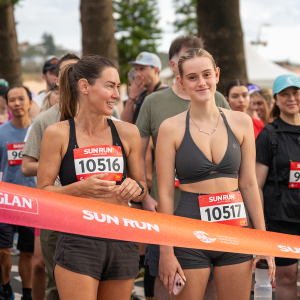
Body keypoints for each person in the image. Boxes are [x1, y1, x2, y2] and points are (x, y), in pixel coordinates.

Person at [156, 48, 275, 300]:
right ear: (181, 82)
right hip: (189, 230)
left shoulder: (241, 122)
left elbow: (250, 185)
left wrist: (264, 242)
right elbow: (165, 192)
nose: (201, 82)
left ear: (217, 75)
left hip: (235, 229)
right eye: (192, 77)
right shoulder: (170, 128)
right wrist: (166, 250)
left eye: (207, 74)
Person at [37, 54, 147, 300]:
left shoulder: (128, 132)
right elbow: (42, 193)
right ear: (85, 86)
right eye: (110, 86)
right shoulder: (58, 133)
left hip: (122, 237)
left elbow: (142, 187)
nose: (116, 94)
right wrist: (79, 189)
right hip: (78, 239)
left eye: (118, 87)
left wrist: (134, 187)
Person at [136, 36, 230, 300]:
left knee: (210, 281)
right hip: (167, 212)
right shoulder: (154, 102)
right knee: (167, 281)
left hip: (215, 211)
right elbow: (137, 154)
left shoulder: (219, 98)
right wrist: (146, 197)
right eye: (188, 60)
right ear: (175, 67)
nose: (195, 68)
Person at [22, 53, 80, 300]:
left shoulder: (102, 116)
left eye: (76, 72)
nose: (70, 78)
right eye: (65, 73)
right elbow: (27, 166)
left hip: (92, 207)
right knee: (55, 278)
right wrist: (58, 165)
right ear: (56, 79)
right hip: (54, 207)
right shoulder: (45, 120)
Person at [256, 74, 300, 300]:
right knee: (287, 276)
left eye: (296, 92)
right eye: (285, 94)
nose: (291, 98)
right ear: (276, 99)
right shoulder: (268, 135)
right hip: (280, 219)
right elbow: (255, 185)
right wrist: (261, 226)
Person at [0, 84, 36, 300]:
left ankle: (28, 293)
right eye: (12, 99)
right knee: (3, 251)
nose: (17, 103)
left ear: (30, 102)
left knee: (28, 251)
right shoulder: (2, 132)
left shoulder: (40, 131)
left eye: (21, 99)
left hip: (32, 201)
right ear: (7, 103)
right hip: (5, 201)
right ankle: (5, 288)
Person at [121, 52, 166, 123]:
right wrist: (131, 98)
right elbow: (124, 126)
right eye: (136, 70)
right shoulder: (142, 95)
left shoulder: (165, 94)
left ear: (156, 70)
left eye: (142, 69)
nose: (138, 74)